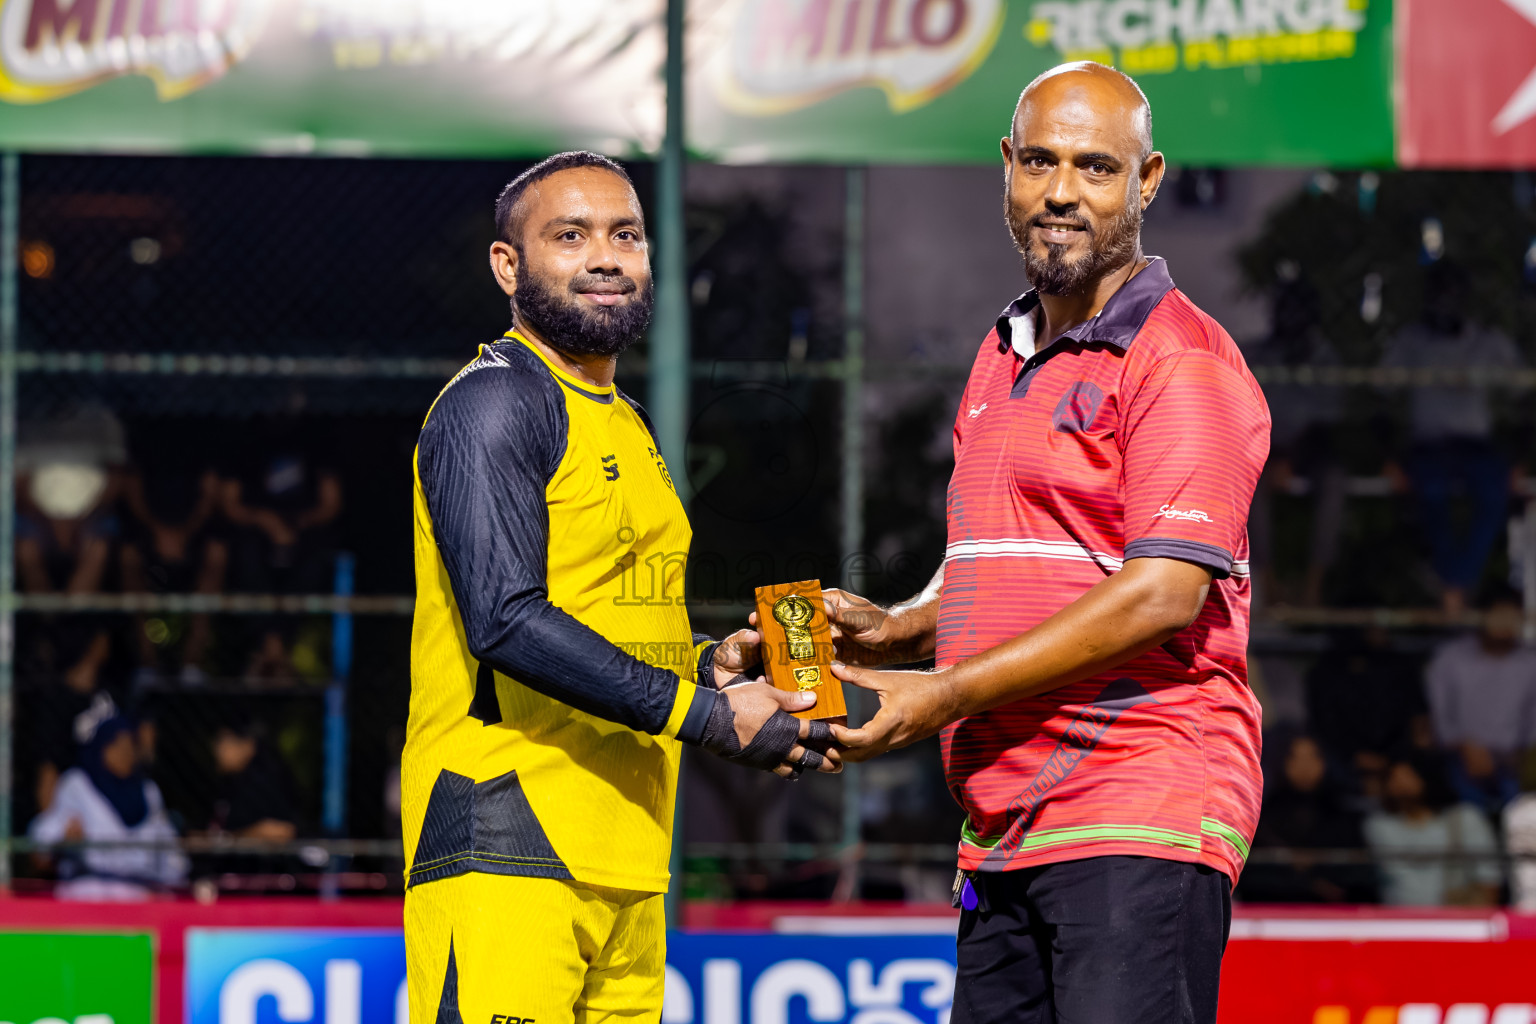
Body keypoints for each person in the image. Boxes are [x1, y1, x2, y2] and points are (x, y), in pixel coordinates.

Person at [814, 64, 1269, 1023]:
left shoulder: (1180, 361)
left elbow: (1161, 593)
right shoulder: (1004, 349)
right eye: (1041, 162)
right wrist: (901, 630)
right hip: (1006, 821)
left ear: (1146, 182)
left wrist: (938, 692)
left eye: (1097, 168)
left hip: (1137, 805)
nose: (1062, 191)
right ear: (1008, 170)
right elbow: (1013, 551)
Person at [402, 151, 839, 1023]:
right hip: (506, 838)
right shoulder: (492, 404)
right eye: (570, 236)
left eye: (625, 235)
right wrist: (710, 719)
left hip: (629, 861)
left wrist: (716, 665)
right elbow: (506, 622)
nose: (606, 256)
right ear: (508, 266)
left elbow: (604, 614)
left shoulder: (623, 419)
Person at [1379, 260, 1522, 616]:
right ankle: (1457, 588)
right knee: (1432, 494)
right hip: (1429, 444)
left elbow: (1523, 394)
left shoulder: (1488, 341)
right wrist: (1390, 456)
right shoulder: (1412, 342)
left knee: (1494, 491)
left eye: (1453, 295)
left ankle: (1454, 586)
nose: (1446, 303)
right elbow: (1379, 391)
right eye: (1439, 295)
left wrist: (1520, 458)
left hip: (1477, 445)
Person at [28, 714, 187, 901]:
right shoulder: (78, 785)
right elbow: (42, 838)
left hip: (139, 896)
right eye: (117, 746)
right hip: (89, 894)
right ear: (101, 748)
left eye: (130, 746)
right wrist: (64, 839)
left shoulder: (148, 792)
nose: (125, 753)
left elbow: (171, 857)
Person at [1425, 588, 1536, 812]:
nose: (1505, 623)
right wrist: (1465, 746)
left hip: (1515, 760)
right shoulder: (1450, 658)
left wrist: (1519, 756)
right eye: (1498, 614)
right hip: (1460, 756)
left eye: (1511, 615)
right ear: (1481, 615)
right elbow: (1440, 718)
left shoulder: (1530, 663)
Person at [1239, 731, 1375, 904]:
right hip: (1276, 911)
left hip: (1335, 915)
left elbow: (1358, 877)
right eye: (1296, 758)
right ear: (1284, 763)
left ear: (1324, 762)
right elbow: (1253, 879)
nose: (1305, 766)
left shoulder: (1342, 815)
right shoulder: (1263, 815)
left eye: (1312, 757)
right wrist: (1308, 884)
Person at [1364, 753, 1501, 907]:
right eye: (1392, 777)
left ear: (1428, 776)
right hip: (1400, 922)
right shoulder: (1379, 825)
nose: (1399, 783)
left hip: (1457, 921)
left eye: (1408, 775)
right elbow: (1391, 878)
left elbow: (1489, 876)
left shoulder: (1465, 818)